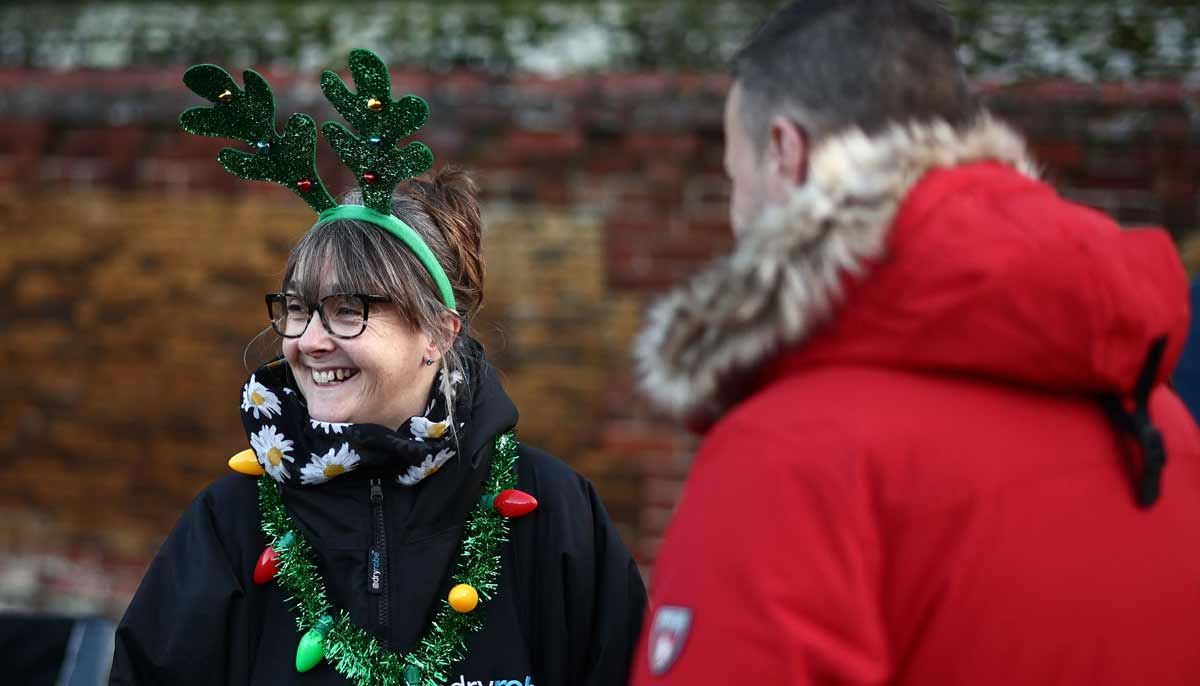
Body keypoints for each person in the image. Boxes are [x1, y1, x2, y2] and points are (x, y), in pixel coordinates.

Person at [630, 2, 1200, 685]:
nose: (734, 211)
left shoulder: (791, 454)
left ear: (787, 152)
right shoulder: (1161, 422)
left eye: (735, 177)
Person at [111, 50, 645, 686]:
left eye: (347, 312)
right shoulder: (232, 523)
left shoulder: (553, 515)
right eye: (299, 309)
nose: (309, 341)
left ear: (437, 334)